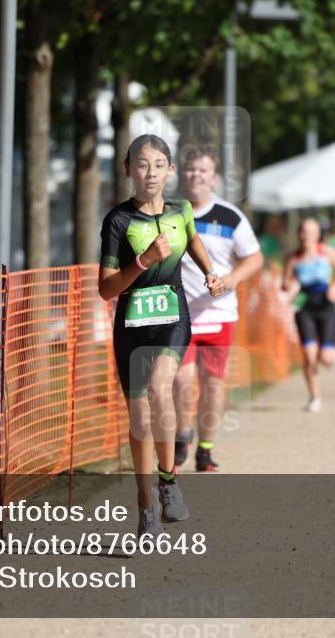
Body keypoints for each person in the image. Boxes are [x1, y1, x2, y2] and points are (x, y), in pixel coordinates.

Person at [98, 134, 225, 537]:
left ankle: (169, 482)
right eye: (140, 164)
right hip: (131, 325)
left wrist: (208, 271)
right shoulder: (118, 220)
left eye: (157, 165)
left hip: (173, 316)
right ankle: (145, 502)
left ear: (170, 170)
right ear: (127, 171)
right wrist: (143, 261)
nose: (149, 172)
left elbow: (192, 238)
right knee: (138, 419)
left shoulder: (181, 209)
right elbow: (106, 289)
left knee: (159, 389)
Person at [172, 146, 263, 472]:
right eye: (191, 169)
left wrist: (232, 279)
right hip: (180, 314)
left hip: (220, 313)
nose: (197, 175)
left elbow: (254, 257)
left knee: (212, 384)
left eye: (203, 171)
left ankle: (206, 448)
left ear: (216, 178)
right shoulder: (169, 212)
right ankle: (183, 432)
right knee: (181, 380)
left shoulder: (229, 216)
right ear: (183, 174)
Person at [283, 218, 335, 413]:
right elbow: (286, 283)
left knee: (325, 358)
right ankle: (314, 397)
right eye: (303, 232)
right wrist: (290, 288)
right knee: (308, 356)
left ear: (318, 235)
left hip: (326, 306)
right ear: (298, 234)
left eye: (311, 232)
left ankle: (330, 356)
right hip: (305, 309)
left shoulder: (326, 252)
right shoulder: (293, 258)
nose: (307, 236)